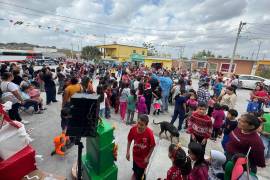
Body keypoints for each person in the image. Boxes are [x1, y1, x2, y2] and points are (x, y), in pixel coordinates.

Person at [126, 114, 156, 180]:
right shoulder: (133, 129)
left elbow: (153, 145)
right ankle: (135, 172)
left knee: (140, 175)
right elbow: (129, 140)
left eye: (142, 125)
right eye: (138, 123)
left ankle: (141, 174)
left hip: (143, 159)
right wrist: (127, 152)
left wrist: (148, 157)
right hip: (135, 154)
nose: (139, 126)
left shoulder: (149, 133)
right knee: (135, 167)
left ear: (146, 125)